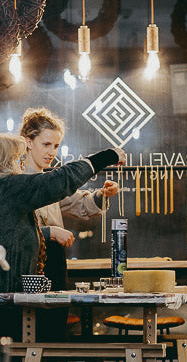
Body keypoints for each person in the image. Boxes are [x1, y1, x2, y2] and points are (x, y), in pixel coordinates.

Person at [20, 108, 118, 295]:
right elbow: (11, 232)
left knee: (56, 321)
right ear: (28, 142)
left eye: (56, 146)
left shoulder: (50, 182)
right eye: (46, 144)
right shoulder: (15, 181)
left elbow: (80, 205)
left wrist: (103, 194)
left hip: (55, 263)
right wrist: (50, 232)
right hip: (28, 267)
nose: (51, 152)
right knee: (32, 321)